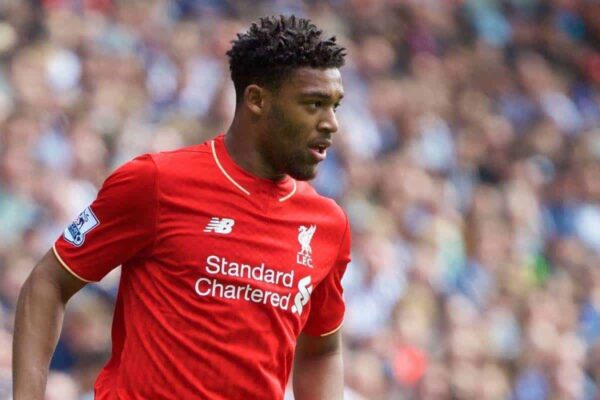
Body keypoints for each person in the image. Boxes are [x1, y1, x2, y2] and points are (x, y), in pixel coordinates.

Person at [12, 15, 350, 400]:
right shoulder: (156, 182)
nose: (331, 123)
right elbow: (48, 282)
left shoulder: (327, 223)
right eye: (314, 104)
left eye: (335, 105)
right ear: (256, 99)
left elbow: (322, 348)